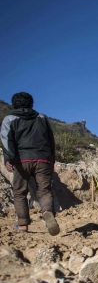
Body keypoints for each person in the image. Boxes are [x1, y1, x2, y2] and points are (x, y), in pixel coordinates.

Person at [1, 92, 60, 235]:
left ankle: (22, 225)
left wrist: (9, 158)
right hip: (43, 159)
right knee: (44, 191)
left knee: (19, 192)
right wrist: (51, 159)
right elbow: (51, 141)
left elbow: (5, 140)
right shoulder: (42, 118)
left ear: (14, 104)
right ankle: (47, 212)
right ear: (31, 103)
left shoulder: (9, 119)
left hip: (22, 160)